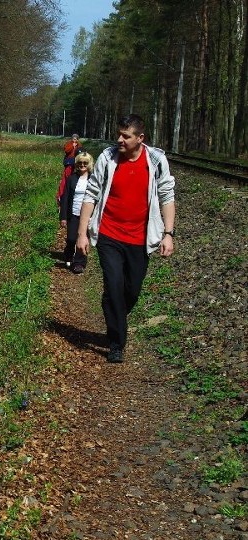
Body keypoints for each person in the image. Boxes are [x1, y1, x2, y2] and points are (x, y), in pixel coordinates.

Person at [77, 114, 176, 364]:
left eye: (126, 136)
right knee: (113, 285)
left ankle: (114, 311)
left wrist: (168, 234)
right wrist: (82, 234)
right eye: (118, 134)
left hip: (140, 239)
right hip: (109, 234)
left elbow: (166, 196)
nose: (119, 140)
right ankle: (116, 343)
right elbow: (92, 193)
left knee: (131, 290)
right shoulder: (108, 158)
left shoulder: (155, 160)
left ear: (140, 138)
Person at [59, 151, 94, 274]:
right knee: (71, 239)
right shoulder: (71, 179)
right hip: (73, 213)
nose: (82, 165)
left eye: (85, 163)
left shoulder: (93, 179)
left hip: (88, 215)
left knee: (83, 239)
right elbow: (65, 198)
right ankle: (68, 255)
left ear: (89, 164)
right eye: (80, 162)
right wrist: (63, 217)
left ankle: (79, 263)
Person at [57, 134, 84, 207]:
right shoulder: (69, 144)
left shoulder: (79, 144)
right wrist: (72, 146)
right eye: (73, 138)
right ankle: (60, 197)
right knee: (66, 179)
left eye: (76, 139)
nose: (74, 140)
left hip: (75, 164)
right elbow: (66, 150)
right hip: (69, 164)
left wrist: (77, 145)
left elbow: (81, 151)